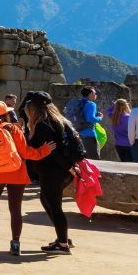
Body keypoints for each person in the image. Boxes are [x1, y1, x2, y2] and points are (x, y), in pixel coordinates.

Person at [0, 101, 55, 256]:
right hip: (16, 172)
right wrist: (44, 150)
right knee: (15, 210)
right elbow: (26, 153)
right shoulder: (14, 128)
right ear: (6, 114)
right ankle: (15, 244)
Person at [25, 91, 85, 254]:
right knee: (46, 200)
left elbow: (54, 151)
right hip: (62, 171)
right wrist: (70, 166)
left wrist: (68, 167)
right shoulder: (61, 121)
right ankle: (63, 237)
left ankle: (63, 244)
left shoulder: (42, 125)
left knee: (54, 206)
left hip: (53, 171)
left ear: (34, 108)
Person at [66, 86, 103, 159]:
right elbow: (90, 118)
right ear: (90, 94)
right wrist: (100, 118)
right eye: (95, 93)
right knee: (94, 158)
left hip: (78, 133)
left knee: (82, 158)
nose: (96, 95)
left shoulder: (78, 103)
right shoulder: (91, 104)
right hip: (89, 134)